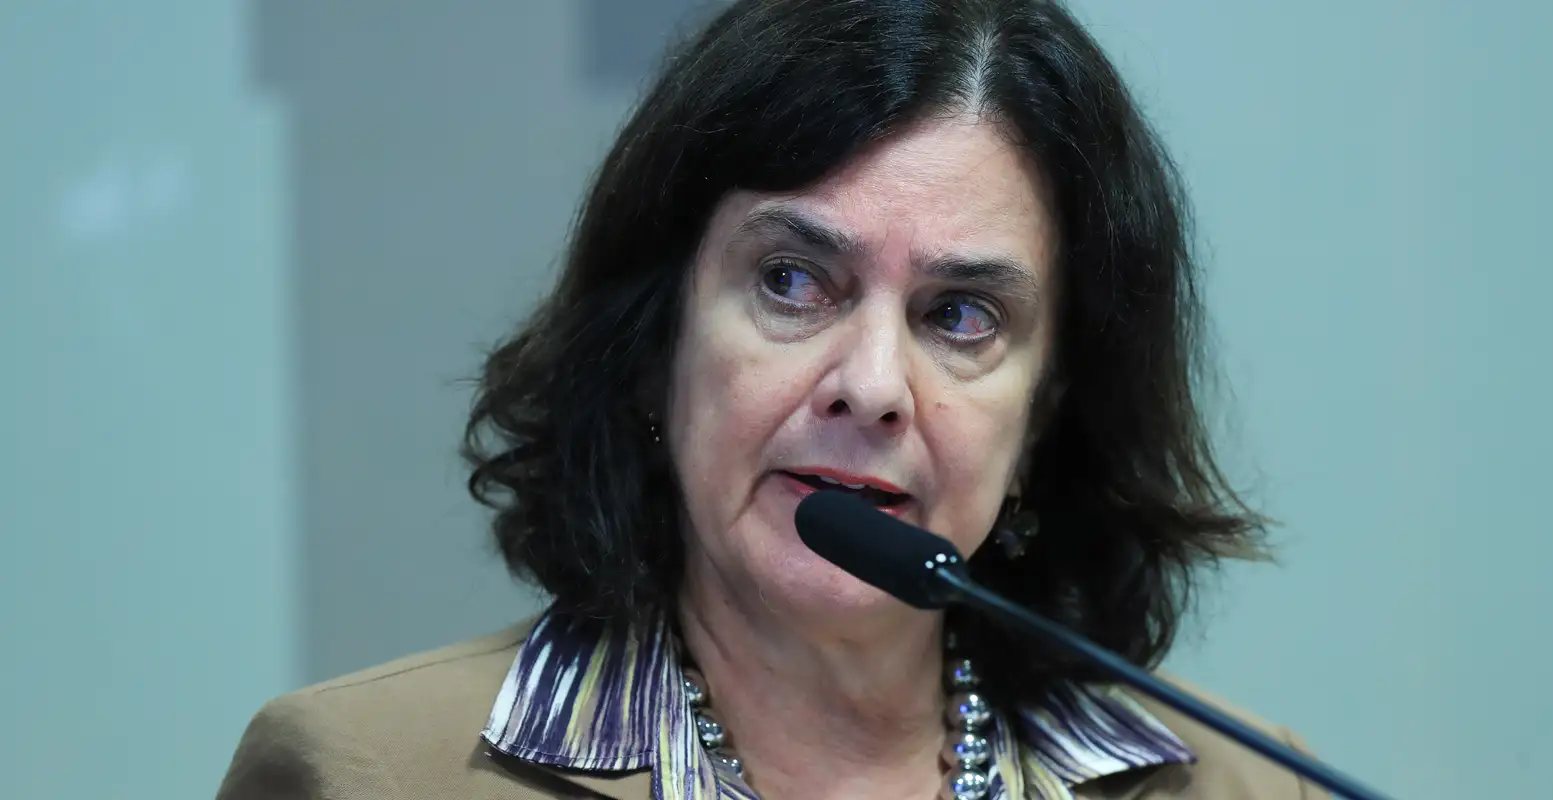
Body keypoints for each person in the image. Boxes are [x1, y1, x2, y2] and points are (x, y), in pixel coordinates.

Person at [218, 1, 1328, 798]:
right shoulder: (360, 775)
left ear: (1041, 417)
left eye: (959, 315)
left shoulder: (1250, 787)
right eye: (793, 281)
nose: (872, 386)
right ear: (655, 342)